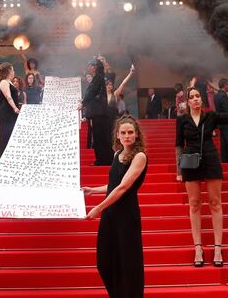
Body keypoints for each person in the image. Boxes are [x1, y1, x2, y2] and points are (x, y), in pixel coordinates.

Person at [176, 85, 228, 268]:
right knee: (194, 204)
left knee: (215, 202)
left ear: (202, 99)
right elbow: (178, 146)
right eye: (192, 97)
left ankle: (217, 248)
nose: (196, 99)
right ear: (188, 101)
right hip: (190, 162)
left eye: (198, 96)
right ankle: (197, 247)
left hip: (211, 159)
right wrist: (178, 171)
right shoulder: (182, 120)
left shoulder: (211, 116)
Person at [82, 116, 148, 297]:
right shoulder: (117, 155)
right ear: (117, 135)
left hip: (126, 214)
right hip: (111, 213)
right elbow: (113, 184)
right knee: (104, 261)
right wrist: (92, 190)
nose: (127, 136)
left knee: (128, 262)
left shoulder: (140, 156)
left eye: (130, 132)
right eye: (123, 133)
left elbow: (124, 187)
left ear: (136, 135)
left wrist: (98, 208)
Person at [81, 59, 112, 165]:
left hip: (99, 113)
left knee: (99, 137)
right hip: (100, 113)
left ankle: (102, 160)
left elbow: (91, 92)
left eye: (91, 65)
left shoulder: (98, 78)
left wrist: (83, 103)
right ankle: (105, 159)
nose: (89, 67)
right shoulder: (99, 78)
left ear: (95, 67)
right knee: (102, 137)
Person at [0, 63, 21, 159]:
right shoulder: (4, 82)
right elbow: (8, 96)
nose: (14, 71)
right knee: (5, 136)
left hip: (11, 112)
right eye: (12, 69)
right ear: (9, 71)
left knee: (11, 135)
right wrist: (15, 107)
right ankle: (3, 158)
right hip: (7, 111)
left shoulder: (8, 82)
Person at [213, 79, 228, 163]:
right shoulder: (223, 96)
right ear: (225, 85)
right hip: (227, 123)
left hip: (221, 123)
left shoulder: (216, 95)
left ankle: (225, 161)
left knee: (224, 144)